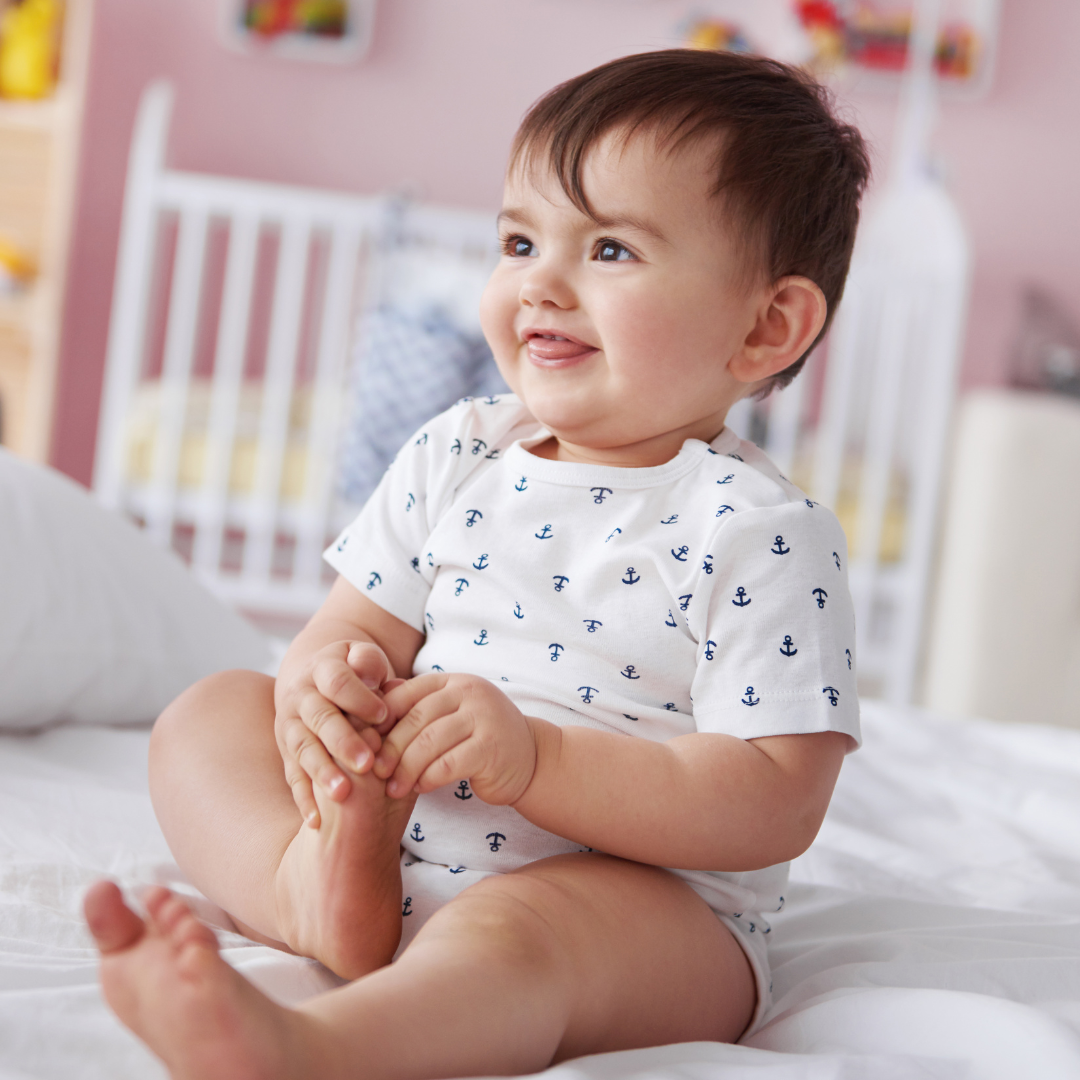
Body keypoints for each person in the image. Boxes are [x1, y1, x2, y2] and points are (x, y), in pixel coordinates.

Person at [83, 48, 870, 1079]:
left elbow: (773, 802)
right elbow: (351, 628)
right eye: (519, 238)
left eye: (613, 251)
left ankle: (316, 1049)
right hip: (391, 840)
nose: (539, 281)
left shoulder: (758, 531)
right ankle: (310, 890)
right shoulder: (460, 451)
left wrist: (539, 761)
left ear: (768, 326)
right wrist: (325, 695)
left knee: (520, 936)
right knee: (209, 716)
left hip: (642, 909)